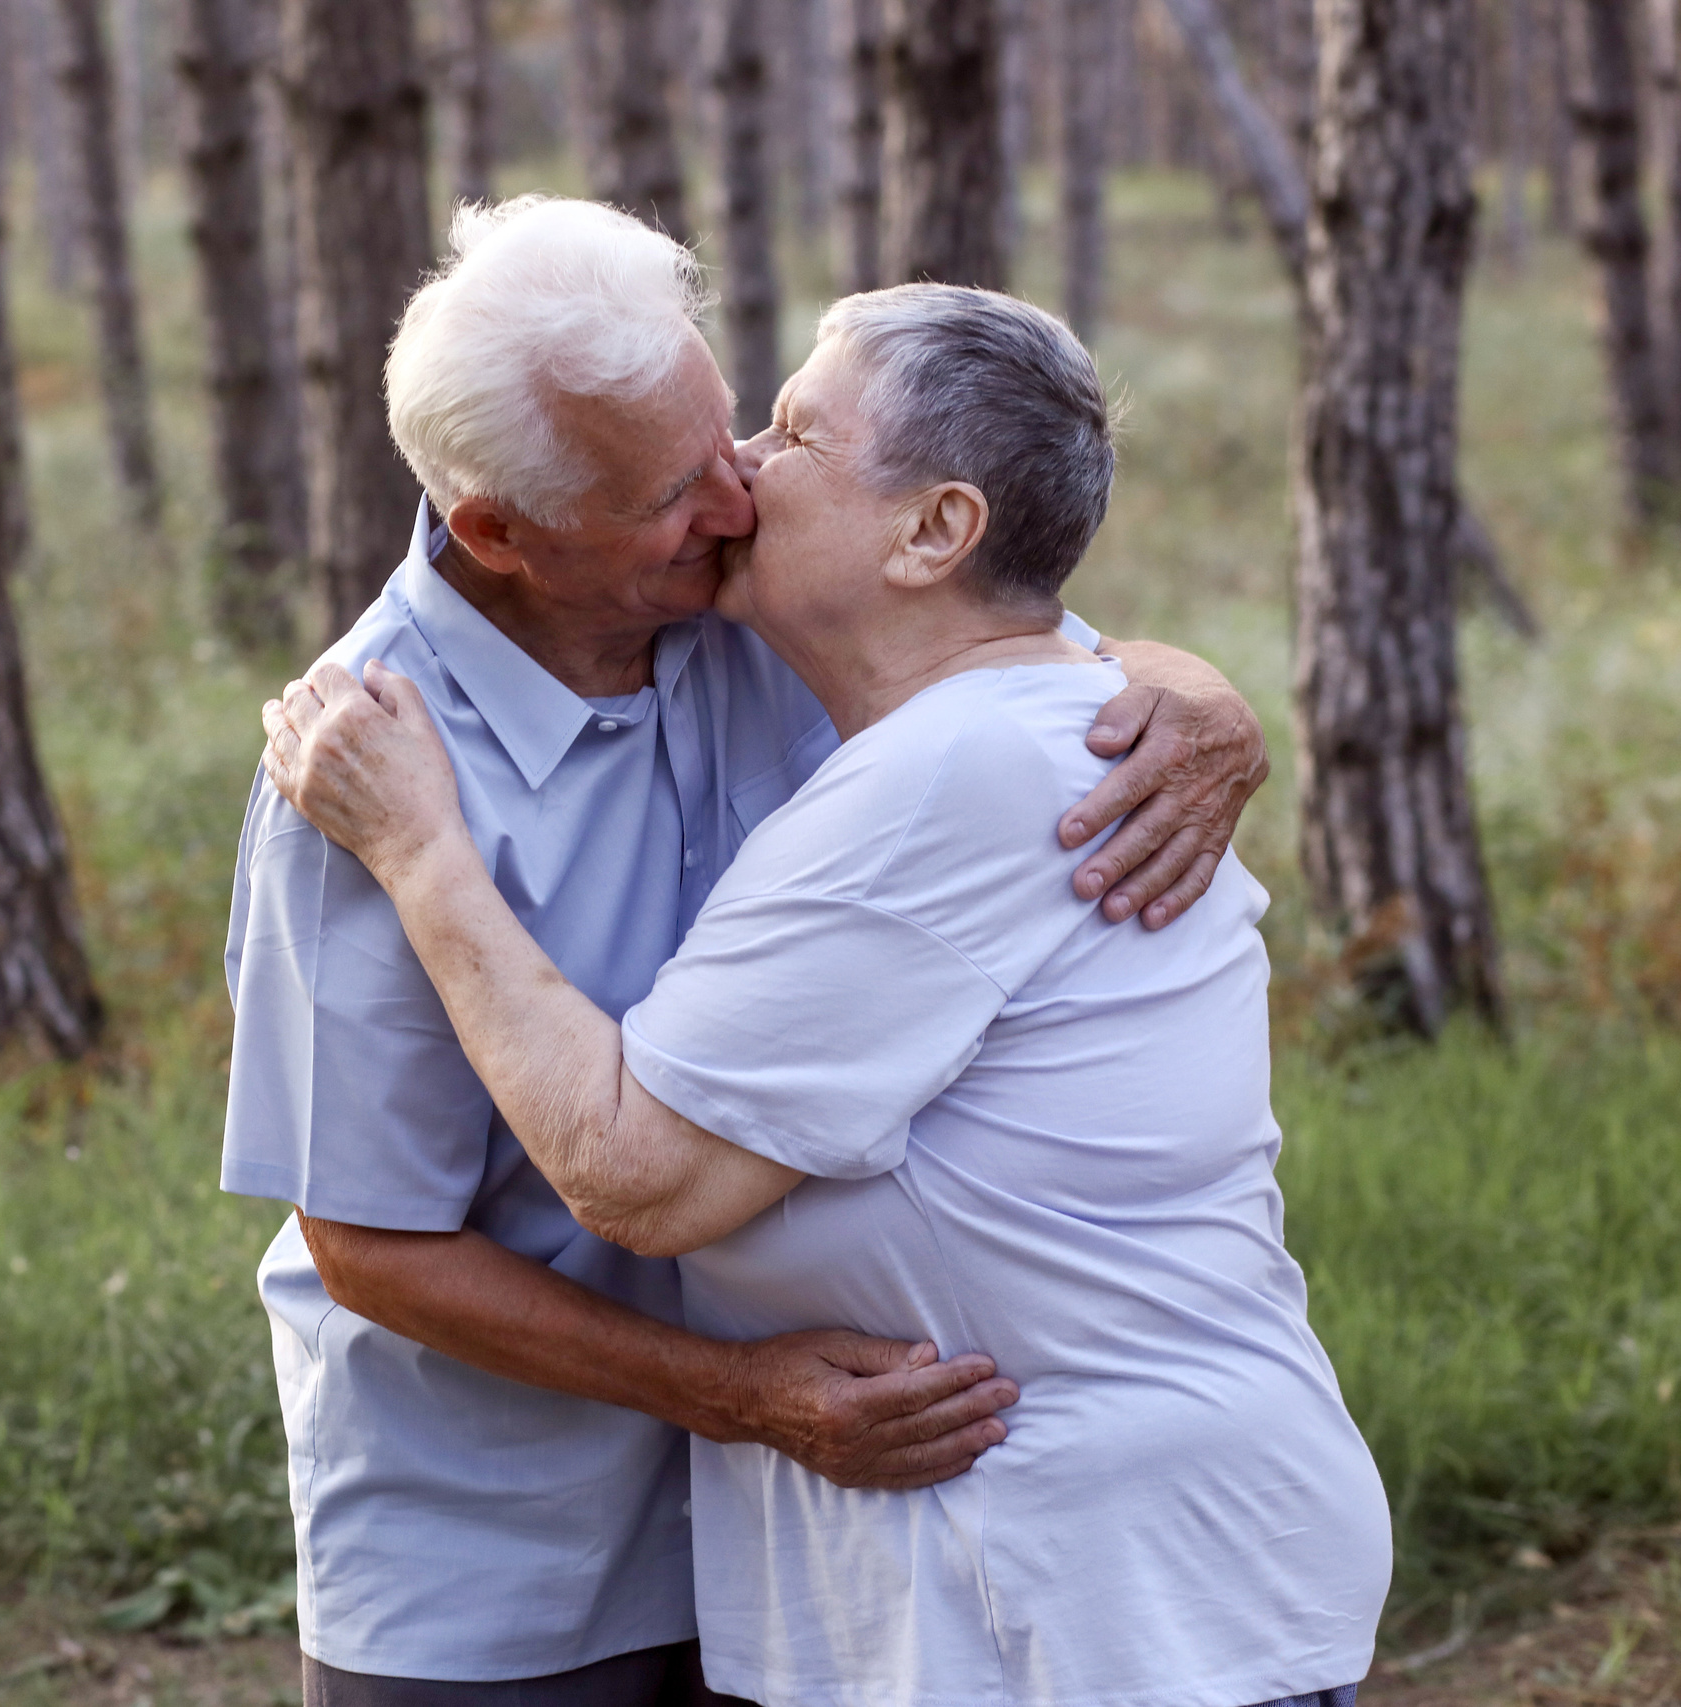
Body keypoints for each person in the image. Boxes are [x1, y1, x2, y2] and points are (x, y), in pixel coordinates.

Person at [258, 282, 1393, 1707]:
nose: (738, 476)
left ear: (932, 532)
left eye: (785, 432)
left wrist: (427, 855)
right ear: (500, 529)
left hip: (1091, 1597)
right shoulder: (380, 735)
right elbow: (363, 1230)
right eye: (704, 461)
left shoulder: (955, 745)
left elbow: (636, 1175)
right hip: (546, 1562)